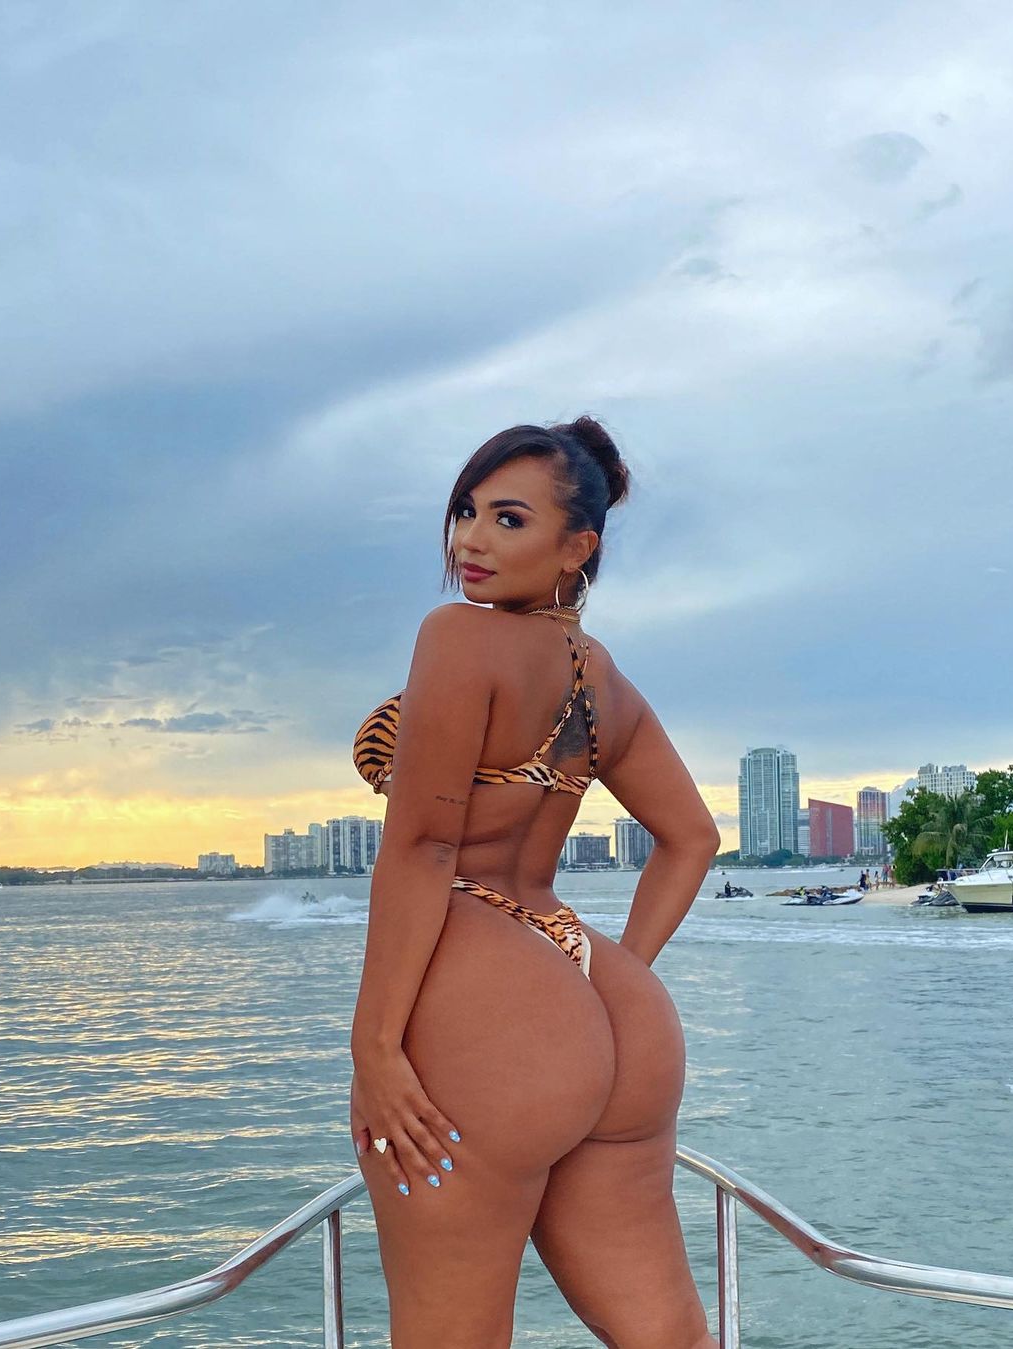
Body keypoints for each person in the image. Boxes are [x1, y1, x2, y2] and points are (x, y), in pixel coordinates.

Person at [349, 417, 722, 1348]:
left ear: (576, 547)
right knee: (669, 1337)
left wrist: (375, 1047)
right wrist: (606, 985)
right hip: (609, 997)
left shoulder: (458, 638)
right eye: (465, 511)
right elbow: (692, 838)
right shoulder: (604, 679)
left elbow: (425, 847)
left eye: (508, 519)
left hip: (486, 994)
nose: (470, 539)